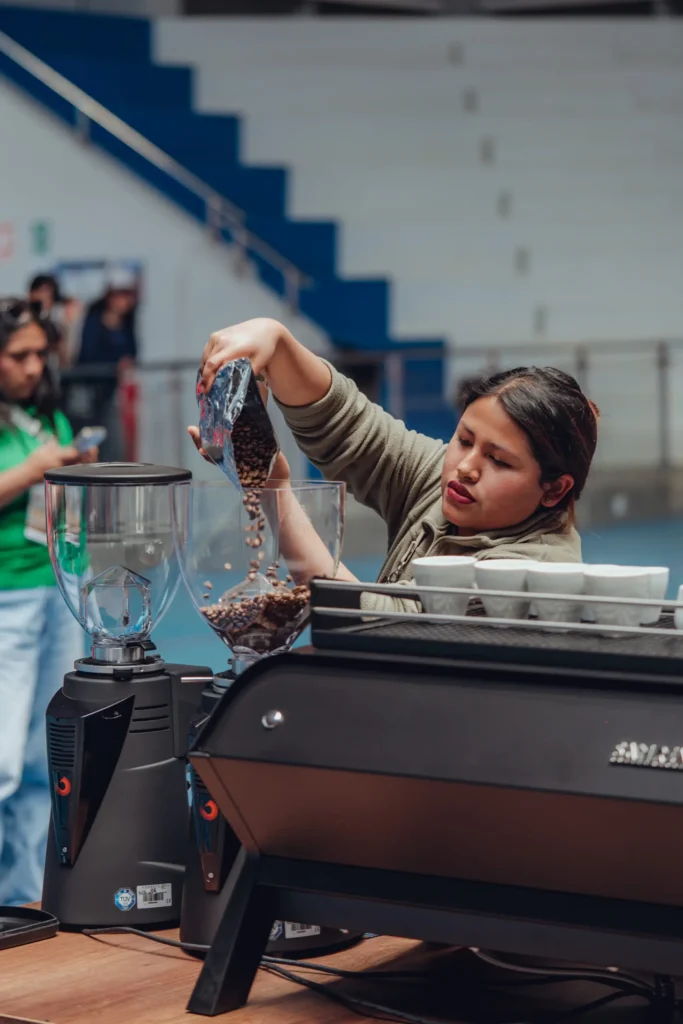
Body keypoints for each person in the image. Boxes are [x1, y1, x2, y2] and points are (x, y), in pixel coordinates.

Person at [193, 318, 599, 603]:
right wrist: (277, 344)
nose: (466, 467)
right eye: (464, 439)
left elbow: (381, 628)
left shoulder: (533, 571)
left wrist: (274, 491)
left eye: (500, 461)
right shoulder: (445, 482)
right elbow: (348, 426)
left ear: (554, 489)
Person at [0, 298, 97, 906]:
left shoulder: (48, 418)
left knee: (44, 758)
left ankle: (21, 899)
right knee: (2, 760)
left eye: (41, 354)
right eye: (18, 355)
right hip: (5, 597)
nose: (34, 367)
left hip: (61, 591)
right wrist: (31, 469)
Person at [76, 270, 138, 461]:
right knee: (88, 444)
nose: (124, 301)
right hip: (87, 389)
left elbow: (133, 350)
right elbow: (87, 353)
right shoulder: (94, 317)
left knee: (115, 446)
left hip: (111, 392)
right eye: (120, 294)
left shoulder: (128, 322)